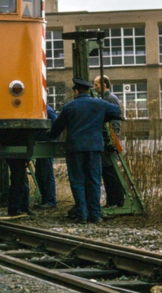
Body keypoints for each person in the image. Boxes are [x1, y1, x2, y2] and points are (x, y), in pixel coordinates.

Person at [49, 77, 122, 223]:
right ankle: (95, 215)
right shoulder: (100, 104)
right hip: (94, 147)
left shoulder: (69, 107)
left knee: (78, 181)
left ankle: (82, 215)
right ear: (88, 90)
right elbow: (117, 112)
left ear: (76, 91)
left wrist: (48, 136)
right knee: (94, 180)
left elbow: (57, 128)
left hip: (75, 148)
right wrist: (102, 117)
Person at [93, 74, 124, 208]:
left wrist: (113, 139)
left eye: (96, 85)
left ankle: (117, 201)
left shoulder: (111, 98)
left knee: (111, 171)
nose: (94, 88)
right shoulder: (104, 98)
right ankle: (112, 201)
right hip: (104, 139)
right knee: (107, 171)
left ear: (104, 85)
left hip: (109, 140)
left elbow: (116, 120)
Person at [34, 105, 58, 209]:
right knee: (40, 173)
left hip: (45, 144)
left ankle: (50, 200)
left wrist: (52, 139)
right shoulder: (43, 109)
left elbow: (57, 125)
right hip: (41, 143)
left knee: (46, 172)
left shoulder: (46, 110)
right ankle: (46, 199)